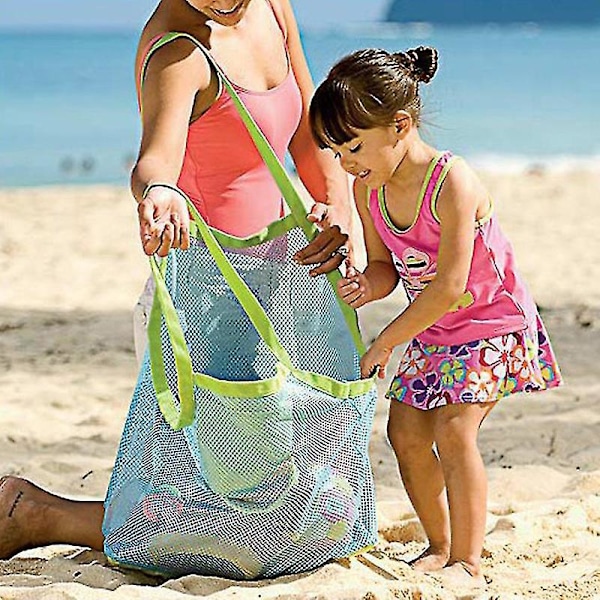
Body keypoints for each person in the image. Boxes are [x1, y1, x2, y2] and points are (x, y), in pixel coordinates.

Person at [0, 0, 354, 566]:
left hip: (285, 284)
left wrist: (338, 206)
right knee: (240, 517)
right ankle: (39, 512)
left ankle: (37, 510)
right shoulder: (178, 49)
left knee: (298, 505)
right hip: (204, 307)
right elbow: (154, 161)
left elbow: (309, 130)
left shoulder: (271, 7)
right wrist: (160, 193)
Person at [309, 46, 562, 584]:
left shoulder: (452, 180)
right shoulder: (367, 188)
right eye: (335, 152)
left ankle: (468, 559)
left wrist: (385, 341)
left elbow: (449, 287)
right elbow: (386, 268)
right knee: (405, 435)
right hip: (433, 329)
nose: (346, 162)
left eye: (354, 146)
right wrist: (365, 286)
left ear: (400, 125)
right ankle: (438, 543)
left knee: (454, 430)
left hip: (491, 324)